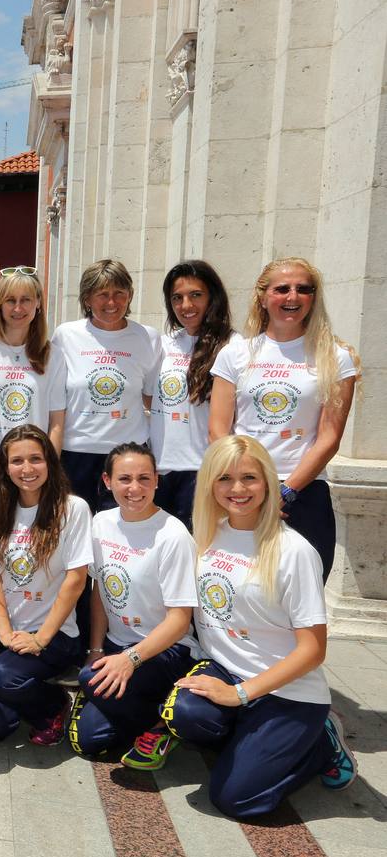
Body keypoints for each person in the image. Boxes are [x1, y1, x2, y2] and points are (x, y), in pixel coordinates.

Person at [164, 435, 356, 819]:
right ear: (209, 485)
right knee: (184, 713)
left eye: (249, 478)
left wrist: (240, 694)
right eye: (224, 478)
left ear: (268, 482)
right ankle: (253, 742)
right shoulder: (204, 535)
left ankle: (319, 746)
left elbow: (313, 650)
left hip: (288, 691)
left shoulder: (294, 551)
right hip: (226, 670)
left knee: (236, 799)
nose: (237, 489)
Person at [209, 258, 359, 581]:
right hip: (242, 491)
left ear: (313, 298)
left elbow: (329, 439)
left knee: (300, 601)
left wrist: (284, 492)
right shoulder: (235, 353)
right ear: (262, 297)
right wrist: (244, 486)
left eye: (303, 289)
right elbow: (219, 429)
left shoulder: (336, 358)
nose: (293, 297)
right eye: (282, 289)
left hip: (301, 494)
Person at [68, 443, 197, 769]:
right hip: (117, 645)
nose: (135, 488)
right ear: (107, 481)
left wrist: (130, 659)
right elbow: (99, 590)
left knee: (90, 681)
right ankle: (154, 709)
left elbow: (180, 620)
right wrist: (96, 648)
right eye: (125, 478)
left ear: (157, 481)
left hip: (166, 651)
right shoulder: (101, 522)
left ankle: (164, 724)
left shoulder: (173, 534)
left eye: (144, 478)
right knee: (88, 739)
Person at [0, 425, 93, 746]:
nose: (26, 469)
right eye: (17, 461)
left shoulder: (73, 509)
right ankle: (23, 688)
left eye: (35, 459)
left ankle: (54, 705)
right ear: (5, 466)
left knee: (2, 678)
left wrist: (41, 639)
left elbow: (76, 579)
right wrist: (2, 630)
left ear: (50, 463)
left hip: (52, 634)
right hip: (3, 629)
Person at [0, 267, 65, 629]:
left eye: (26, 299)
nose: (18, 308)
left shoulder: (50, 355)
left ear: (38, 305)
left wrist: (46, 476)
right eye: (10, 299)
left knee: (23, 558)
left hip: (31, 476)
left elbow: (56, 421)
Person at [51, 259, 161, 511]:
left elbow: (152, 399)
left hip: (128, 456)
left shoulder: (147, 337)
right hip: (76, 454)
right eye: (102, 294)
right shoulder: (66, 335)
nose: (111, 303)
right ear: (87, 299)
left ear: (130, 296)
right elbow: (55, 398)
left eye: (119, 293)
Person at [148, 260, 234, 529]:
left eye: (196, 295)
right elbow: (149, 395)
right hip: (159, 472)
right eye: (177, 298)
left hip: (202, 472)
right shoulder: (163, 344)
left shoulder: (234, 346)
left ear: (213, 297)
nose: (186, 305)